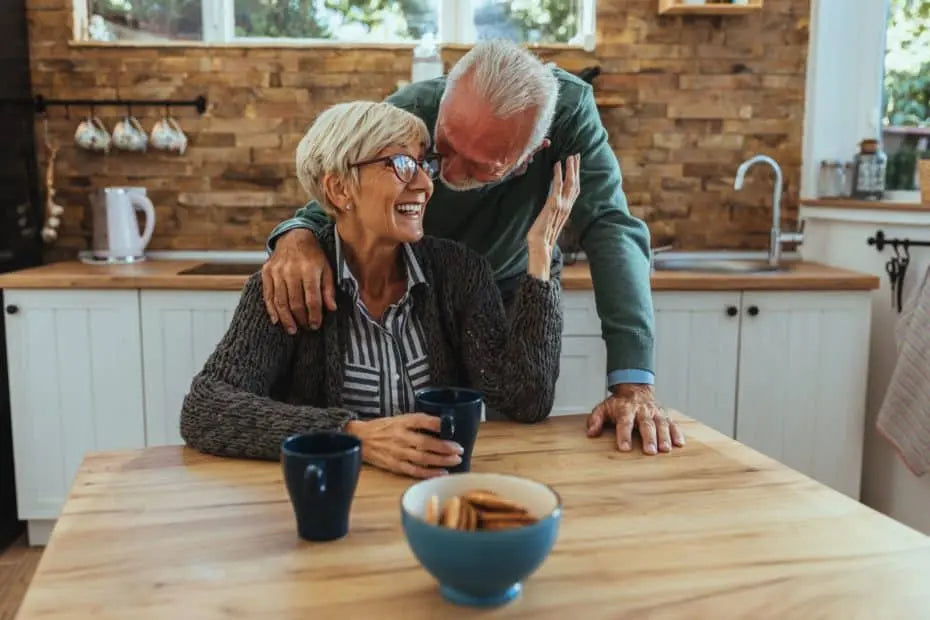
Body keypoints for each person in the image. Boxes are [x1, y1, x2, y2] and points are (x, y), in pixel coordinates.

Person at [262, 40, 684, 455]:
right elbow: (338, 191)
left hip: (514, 283)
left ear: (532, 155)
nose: (443, 174)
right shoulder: (410, 110)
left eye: (482, 165)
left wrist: (632, 385)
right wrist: (296, 234)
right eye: (443, 146)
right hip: (425, 287)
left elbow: (611, 226)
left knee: (513, 430)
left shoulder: (570, 114)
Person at [180, 100, 576, 478]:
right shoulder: (290, 286)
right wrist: (354, 435)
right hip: (334, 502)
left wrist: (540, 255)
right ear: (339, 190)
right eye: (402, 164)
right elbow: (206, 408)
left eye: (425, 164)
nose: (425, 184)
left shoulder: (460, 273)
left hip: (437, 494)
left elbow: (526, 400)